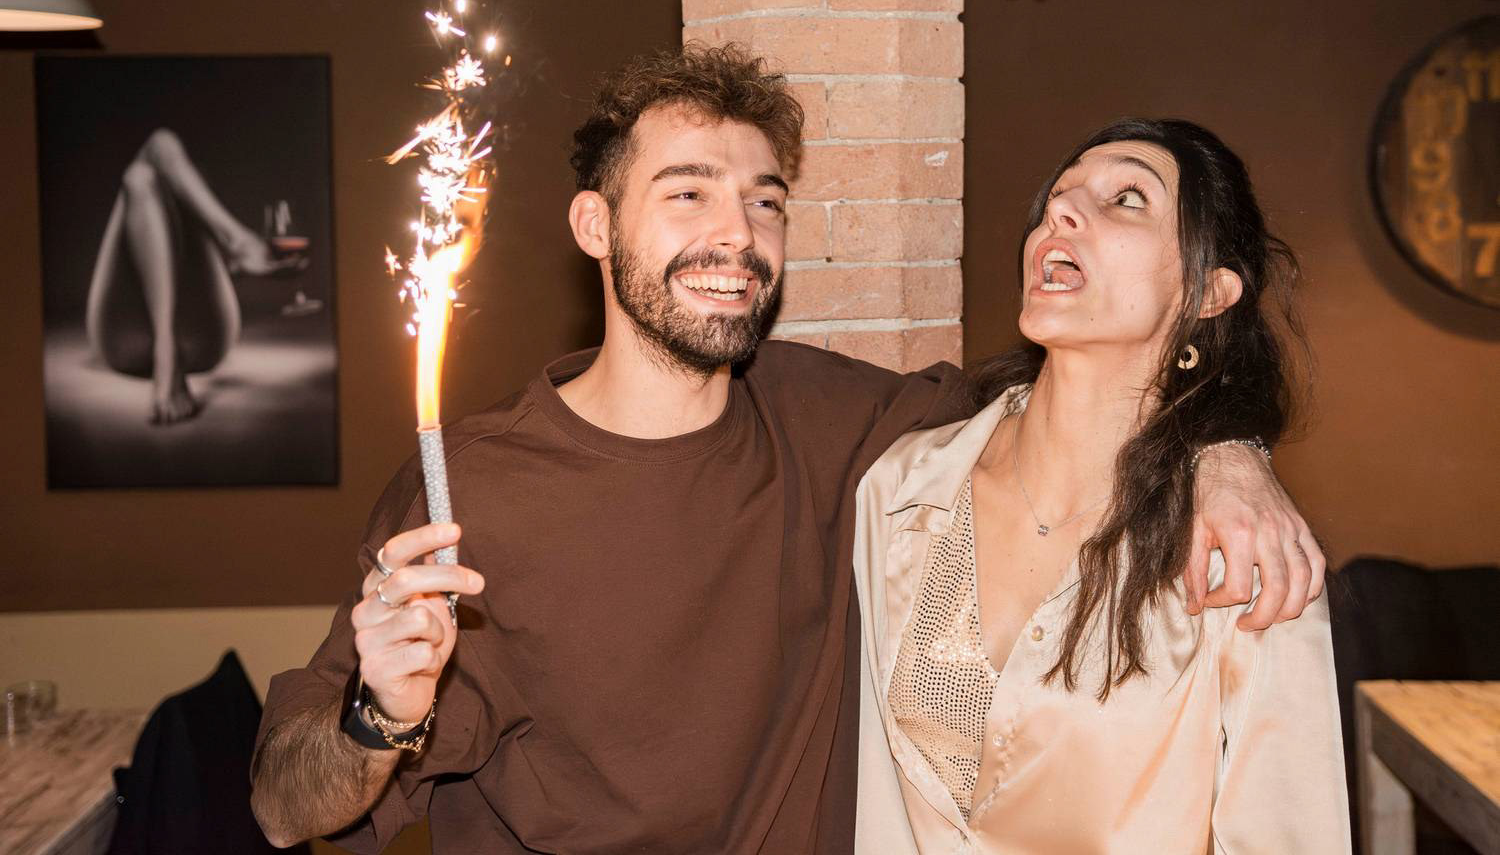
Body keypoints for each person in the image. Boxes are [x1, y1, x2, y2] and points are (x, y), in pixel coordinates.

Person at [249, 49, 1324, 854]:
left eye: (763, 202)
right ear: (594, 226)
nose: (737, 234)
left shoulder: (840, 425)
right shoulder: (471, 486)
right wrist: (379, 714)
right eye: (687, 194)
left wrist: (1228, 446)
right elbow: (287, 807)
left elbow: (1085, 403)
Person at [853, 119, 1349, 853]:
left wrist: (1232, 449)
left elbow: (1288, 833)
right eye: (1059, 195)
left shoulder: (1242, 551)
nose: (1060, 209)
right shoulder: (901, 489)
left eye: (1127, 198)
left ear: (1209, 292)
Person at [84, 126, 303, 423]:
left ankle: (167, 348)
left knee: (141, 174)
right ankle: (237, 241)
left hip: (121, 341)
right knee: (146, 168)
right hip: (203, 341)